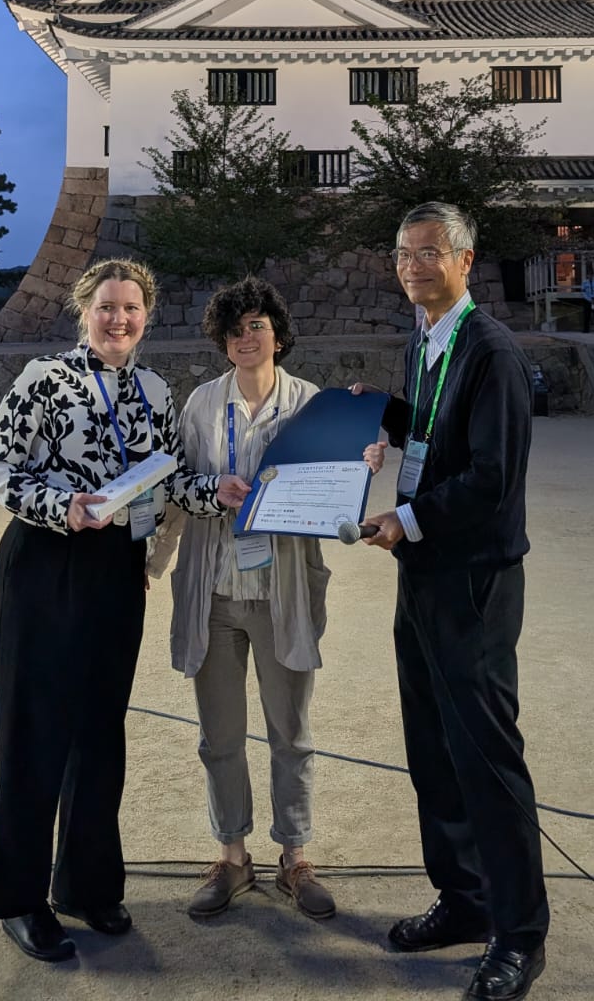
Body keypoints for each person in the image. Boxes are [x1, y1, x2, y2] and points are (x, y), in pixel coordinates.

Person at [0, 258, 243, 962]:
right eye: (106, 306)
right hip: (44, 562)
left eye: (131, 308)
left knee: (100, 735)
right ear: (82, 310)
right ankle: (21, 900)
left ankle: (88, 885)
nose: (118, 319)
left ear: (145, 316)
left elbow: (167, 477)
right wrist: (60, 507)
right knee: (38, 734)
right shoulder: (43, 379)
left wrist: (219, 490)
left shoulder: (155, 391)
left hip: (118, 571)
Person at [361, 202, 549, 1001]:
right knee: (433, 752)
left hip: (473, 581)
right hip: (424, 575)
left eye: (430, 253)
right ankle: (465, 901)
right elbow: (441, 436)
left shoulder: (492, 351)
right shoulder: (427, 340)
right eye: (404, 254)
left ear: (466, 261)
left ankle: (518, 935)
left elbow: (491, 476)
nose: (414, 266)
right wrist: (383, 418)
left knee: (485, 757)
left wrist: (405, 518)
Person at [161, 276, 376, 922]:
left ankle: (295, 856)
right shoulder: (201, 404)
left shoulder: (314, 404)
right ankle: (232, 856)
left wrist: (358, 468)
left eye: (257, 325)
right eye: (234, 328)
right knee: (218, 736)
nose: (245, 337)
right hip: (214, 593)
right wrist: (188, 513)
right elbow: (176, 484)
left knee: (293, 734)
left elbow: (333, 496)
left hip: (282, 592)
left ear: (278, 335)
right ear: (222, 343)